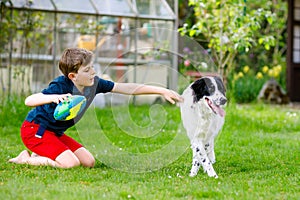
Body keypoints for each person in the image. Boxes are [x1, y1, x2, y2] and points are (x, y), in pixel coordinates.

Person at [8, 47, 183, 168]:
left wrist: (161, 90)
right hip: (35, 130)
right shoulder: (61, 85)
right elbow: (30, 100)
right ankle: (26, 159)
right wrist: (53, 97)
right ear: (73, 76)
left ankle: (44, 155)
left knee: (88, 162)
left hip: (55, 133)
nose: (92, 73)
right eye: (87, 70)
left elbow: (127, 88)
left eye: (92, 68)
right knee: (71, 164)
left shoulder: (95, 84)